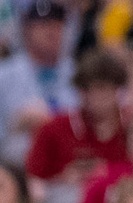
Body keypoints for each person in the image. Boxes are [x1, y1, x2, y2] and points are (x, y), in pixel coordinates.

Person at [0, 0, 72, 166]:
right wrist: (13, 125)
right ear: (27, 31)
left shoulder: (79, 74)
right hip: (14, 168)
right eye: (43, 25)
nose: (51, 32)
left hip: (72, 167)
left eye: (57, 25)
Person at [23, 49, 127, 191]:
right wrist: (63, 180)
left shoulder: (132, 129)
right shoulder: (52, 129)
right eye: (87, 89)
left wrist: (108, 174)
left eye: (102, 88)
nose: (95, 96)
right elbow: (33, 182)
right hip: (66, 197)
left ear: (117, 90)